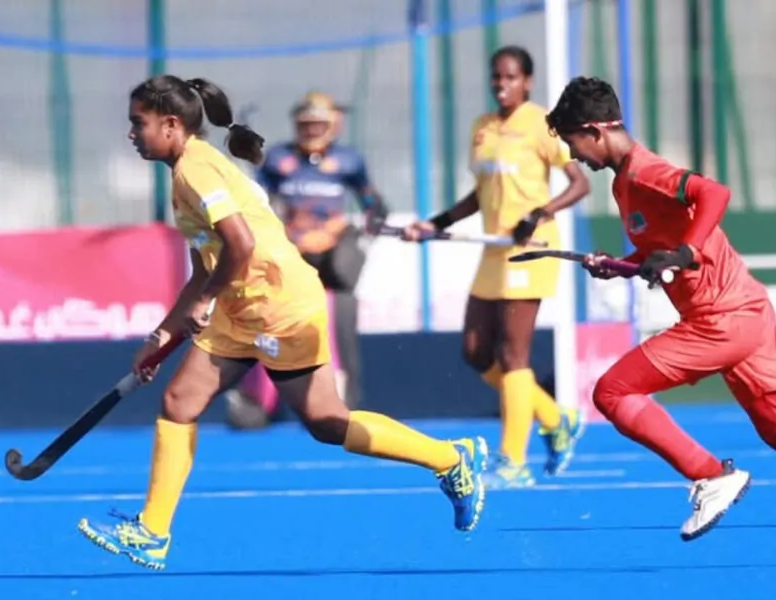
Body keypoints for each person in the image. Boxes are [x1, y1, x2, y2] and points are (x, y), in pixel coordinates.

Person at [77, 75, 487, 570]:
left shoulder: (197, 172)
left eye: (136, 124)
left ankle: (450, 459)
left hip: (279, 305)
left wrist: (207, 299)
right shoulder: (185, 173)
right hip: (239, 305)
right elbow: (206, 267)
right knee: (180, 401)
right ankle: (153, 533)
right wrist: (161, 333)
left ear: (170, 124)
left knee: (327, 423)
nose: (131, 134)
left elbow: (242, 245)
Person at [544, 75, 776, 566]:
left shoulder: (646, 171)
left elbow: (714, 194)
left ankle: (709, 474)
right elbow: (660, 250)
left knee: (612, 392)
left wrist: (685, 251)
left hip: (721, 320)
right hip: (744, 313)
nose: (574, 156)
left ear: (595, 130)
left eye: (573, 143)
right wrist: (622, 264)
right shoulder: (624, 183)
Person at [403, 46, 590, 489]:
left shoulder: (543, 125)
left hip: (531, 248)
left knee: (512, 355)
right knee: (474, 351)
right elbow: (478, 194)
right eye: (496, 78)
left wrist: (539, 213)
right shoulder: (482, 128)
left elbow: (579, 183)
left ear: (527, 81)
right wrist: (435, 223)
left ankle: (514, 461)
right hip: (492, 250)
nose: (501, 84)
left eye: (510, 77)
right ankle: (555, 416)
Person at [249, 91, 387, 410]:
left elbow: (371, 200)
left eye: (318, 125)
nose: (312, 131)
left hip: (332, 250)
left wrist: (369, 223)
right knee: (267, 310)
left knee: (343, 290)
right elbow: (255, 200)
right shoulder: (278, 159)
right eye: (307, 124)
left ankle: (346, 394)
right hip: (292, 248)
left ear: (333, 125)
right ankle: (258, 397)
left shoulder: (349, 160)